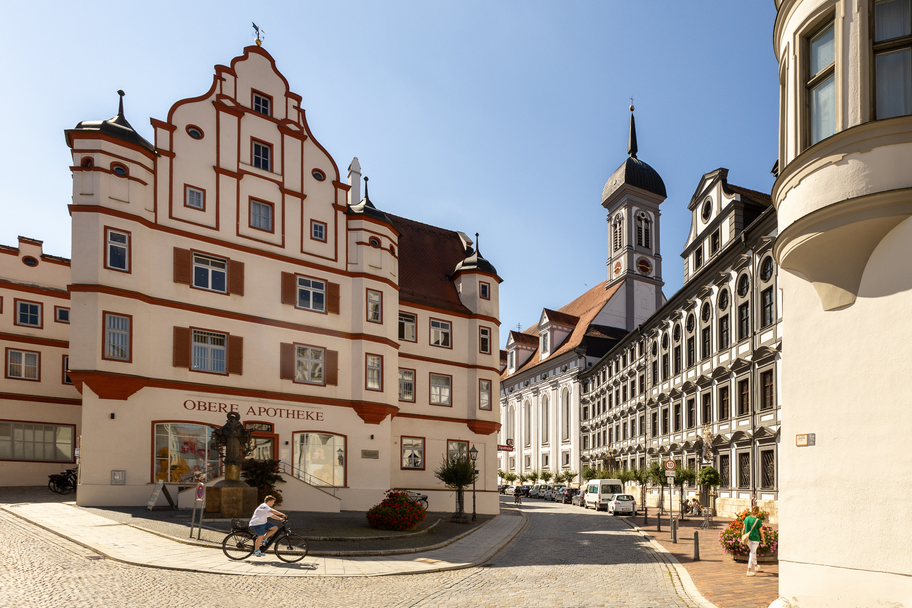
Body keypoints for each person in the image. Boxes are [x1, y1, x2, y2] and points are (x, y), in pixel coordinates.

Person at [743, 505, 767, 576]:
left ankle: (756, 566)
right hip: (755, 539)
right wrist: (764, 541)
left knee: (753, 552)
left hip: (748, 539)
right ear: (757, 512)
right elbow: (761, 532)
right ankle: (749, 570)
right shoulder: (758, 521)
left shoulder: (746, 519)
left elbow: (743, 529)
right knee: (752, 553)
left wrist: (742, 537)